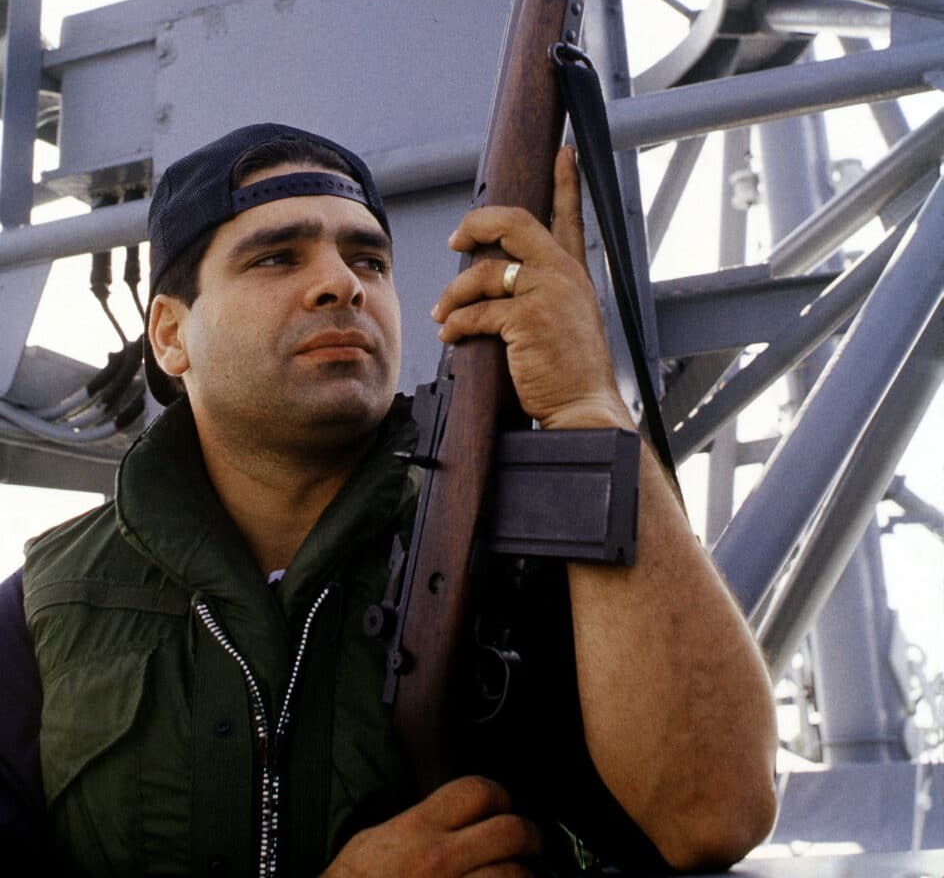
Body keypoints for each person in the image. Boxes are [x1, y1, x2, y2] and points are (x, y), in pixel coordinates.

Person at [0, 121, 779, 876]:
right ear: (169, 335)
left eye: (369, 261)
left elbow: (713, 816)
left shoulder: (525, 557)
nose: (342, 283)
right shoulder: (47, 605)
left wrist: (586, 407)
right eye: (276, 259)